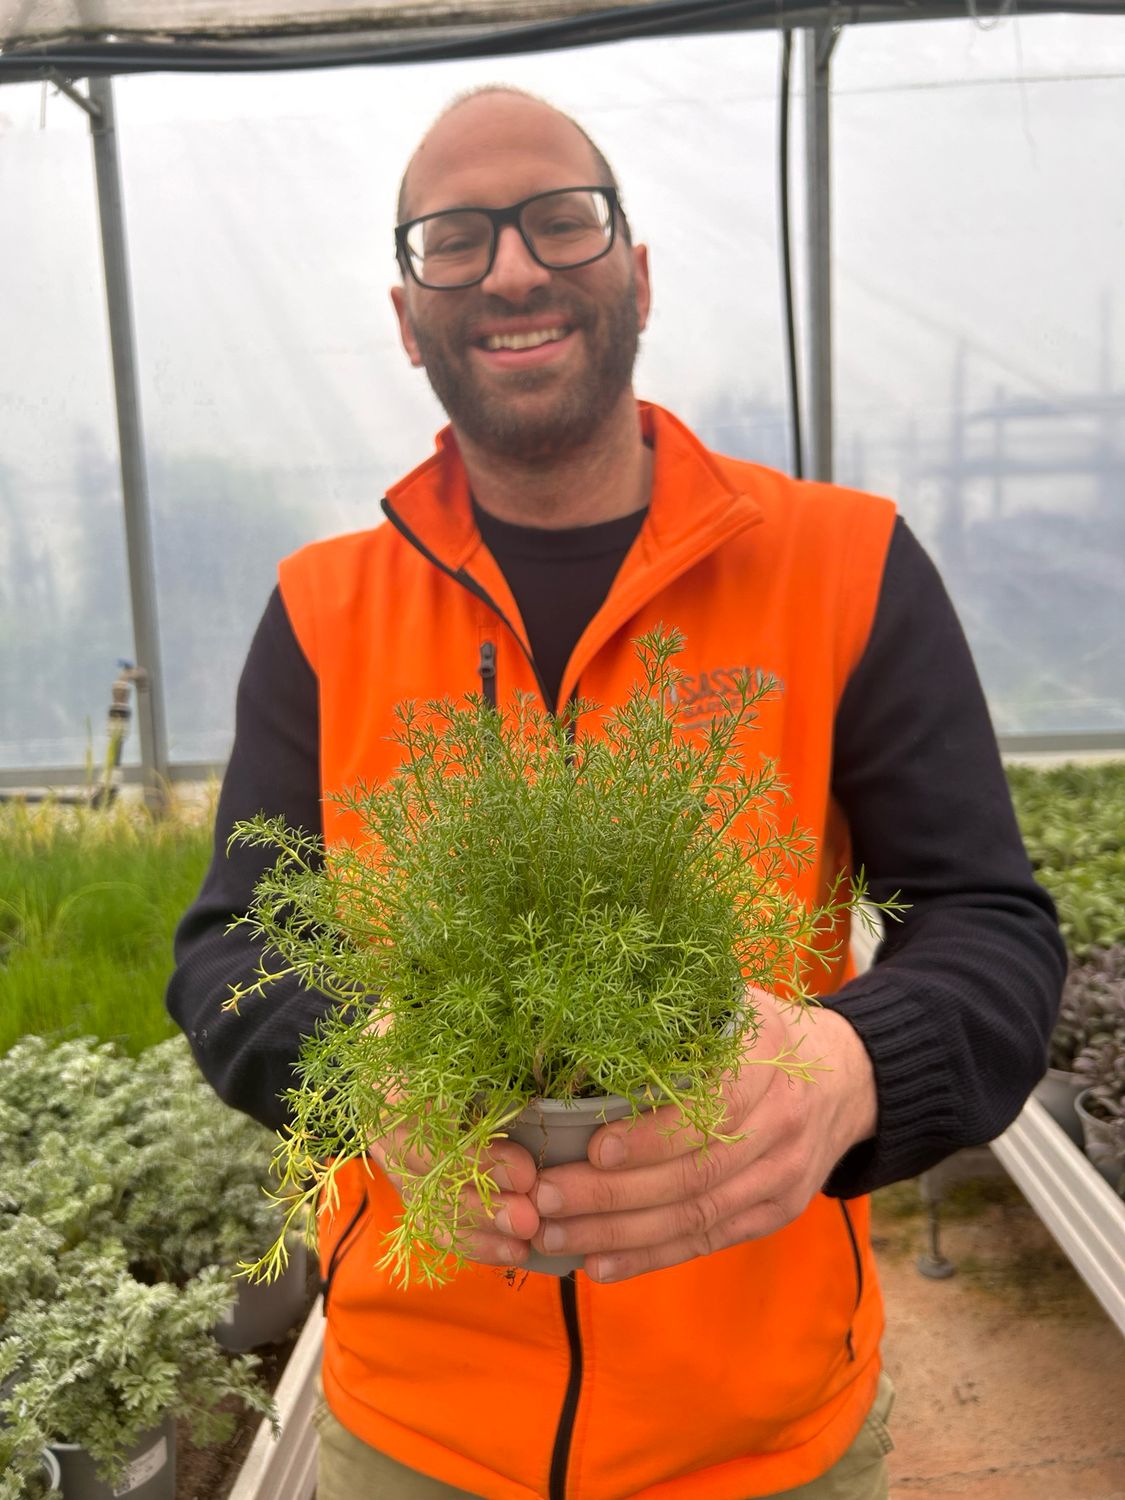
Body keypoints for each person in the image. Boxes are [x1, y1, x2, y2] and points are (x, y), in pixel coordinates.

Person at [167, 86, 1065, 1500]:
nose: (514, 267)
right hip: (411, 1437)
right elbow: (228, 952)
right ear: (407, 320)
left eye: (559, 221)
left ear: (635, 274)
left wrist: (851, 1071)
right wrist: (371, 1062)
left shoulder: (845, 565)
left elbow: (992, 929)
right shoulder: (323, 608)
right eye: (453, 240)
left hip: (765, 1444)